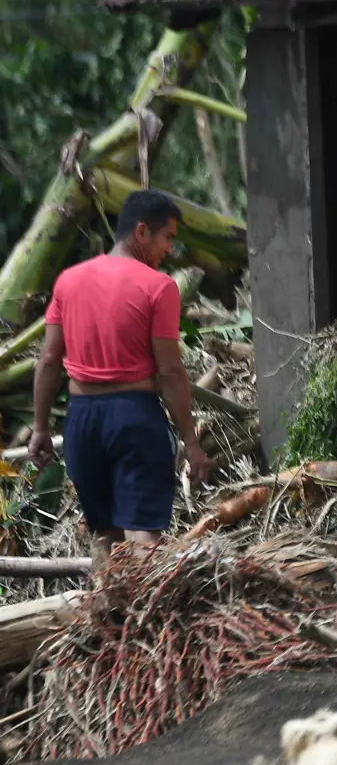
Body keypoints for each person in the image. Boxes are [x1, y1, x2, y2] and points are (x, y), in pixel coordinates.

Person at [29, 189, 212, 567]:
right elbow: (170, 371)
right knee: (145, 538)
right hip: (133, 419)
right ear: (141, 232)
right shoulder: (158, 287)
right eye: (168, 237)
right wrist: (191, 442)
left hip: (81, 421)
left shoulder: (68, 281)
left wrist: (40, 427)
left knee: (105, 538)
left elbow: (48, 361)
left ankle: (106, 620)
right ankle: (150, 623)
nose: (169, 249)